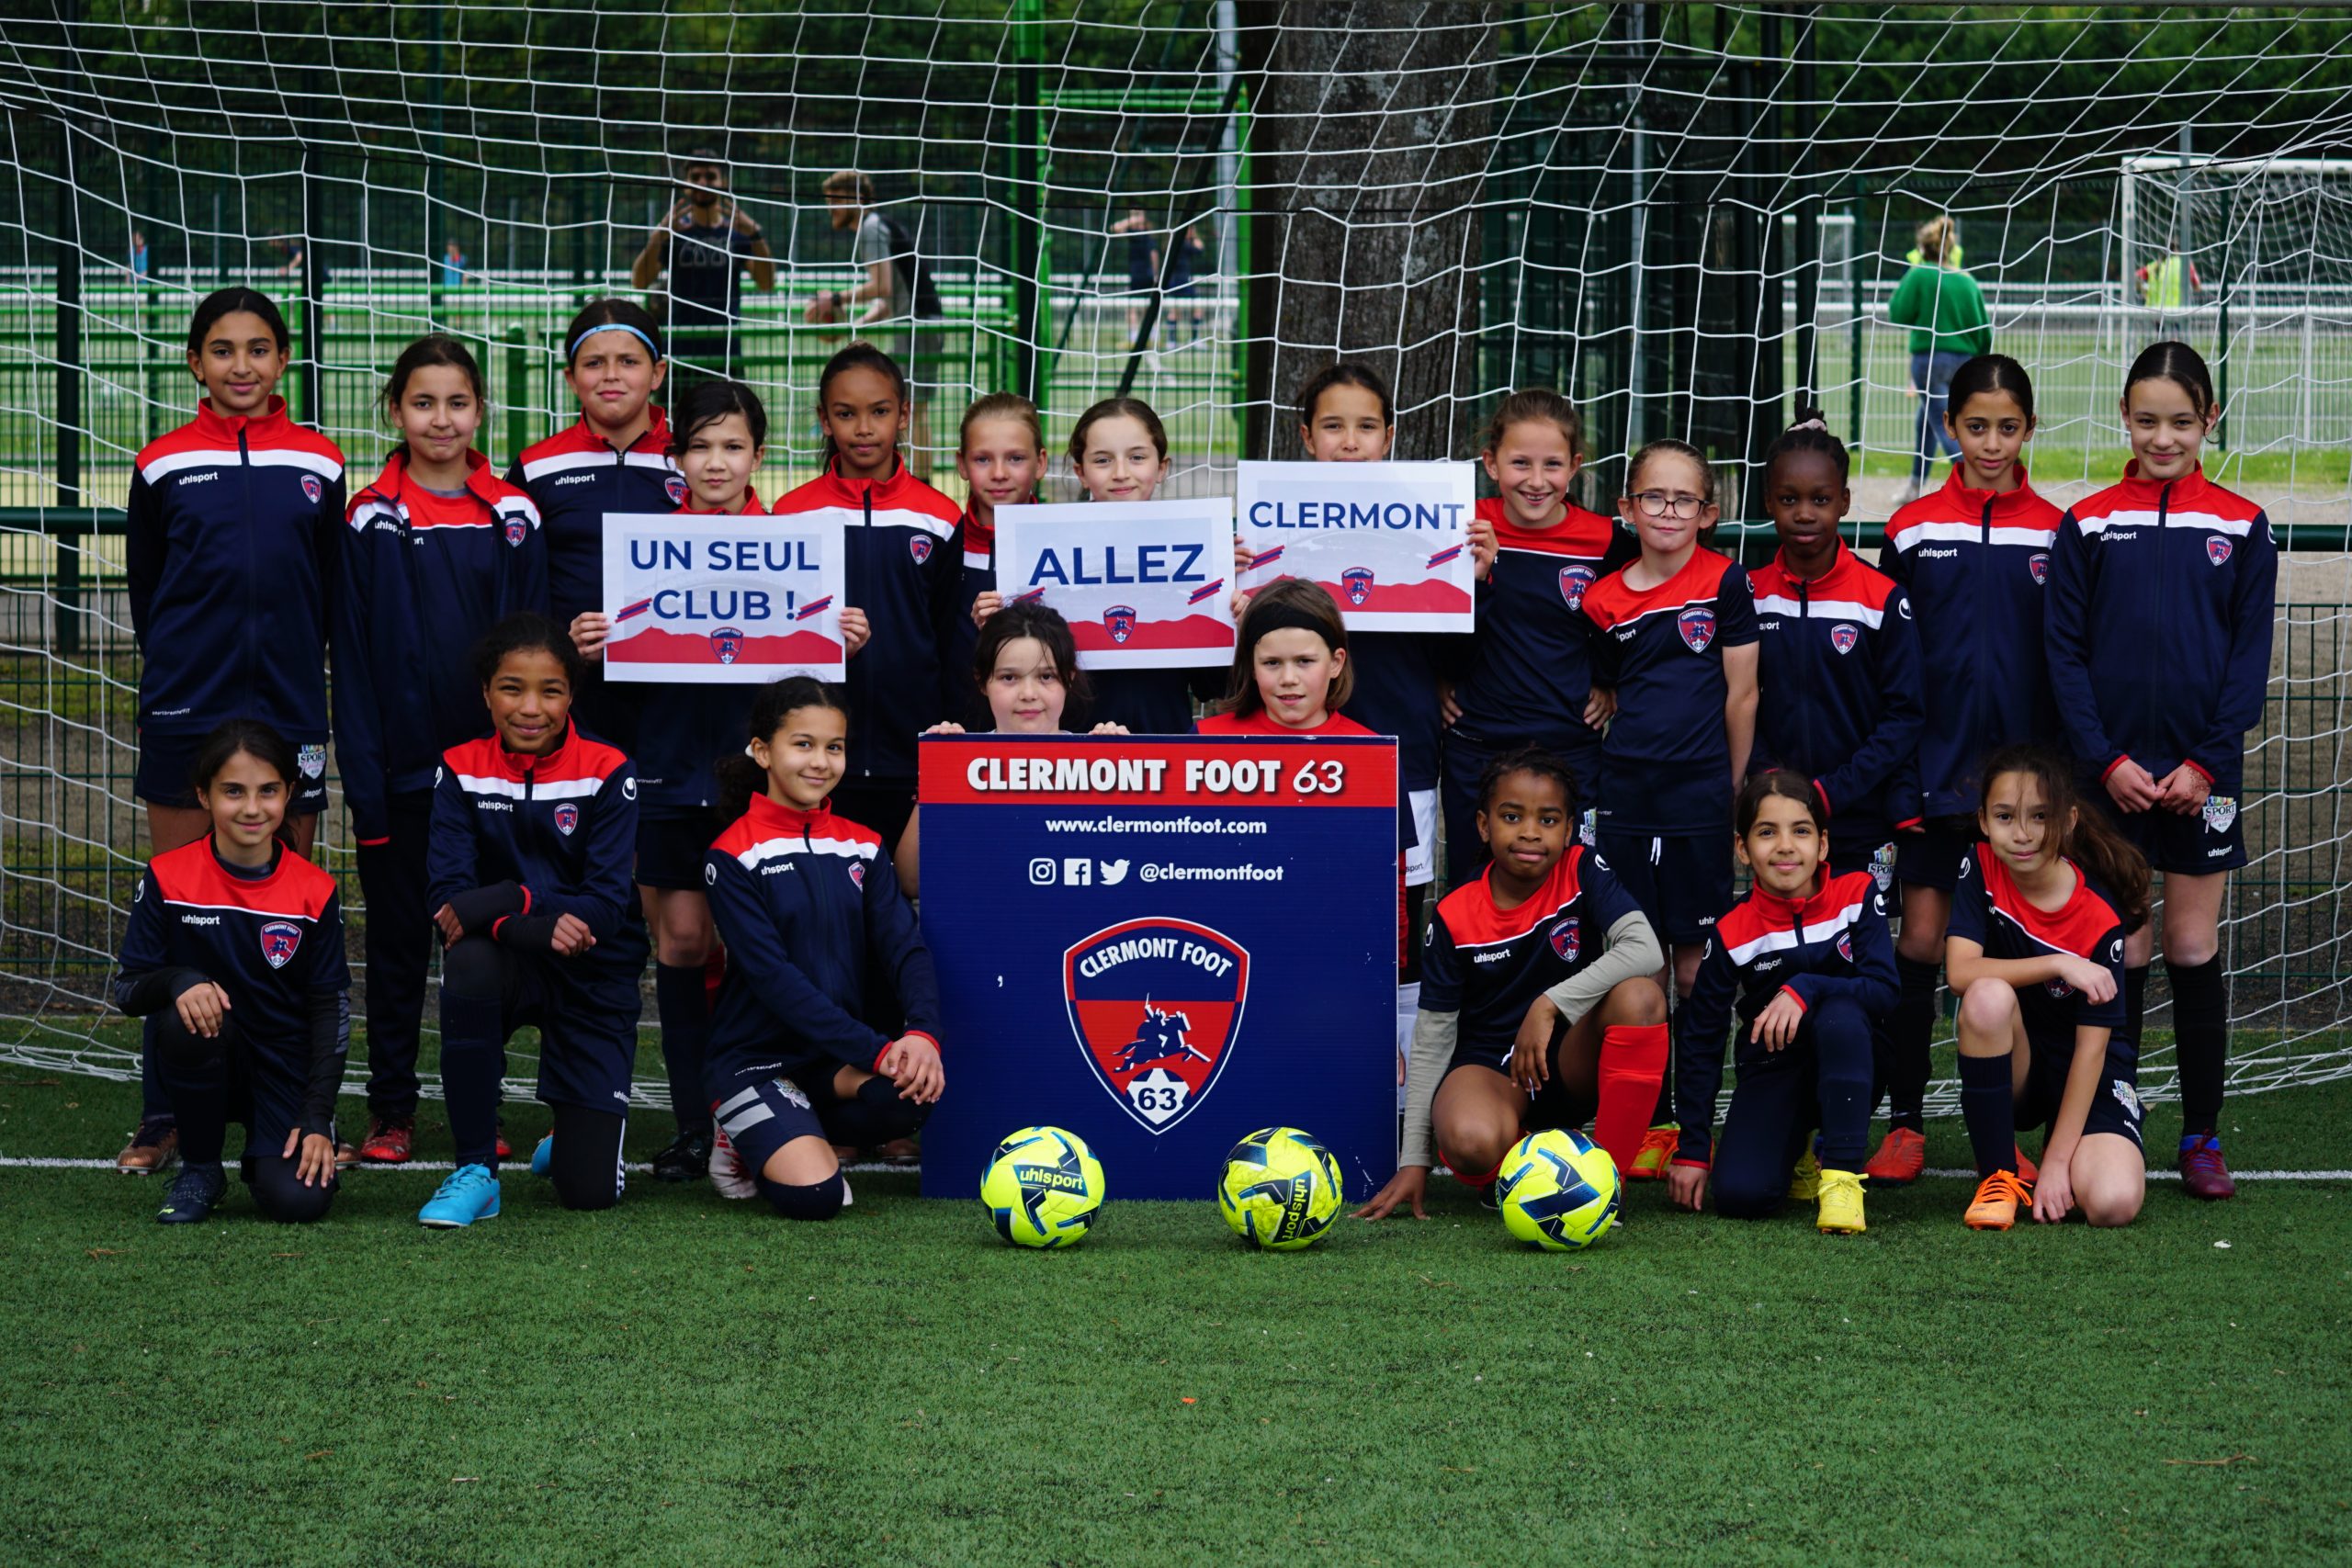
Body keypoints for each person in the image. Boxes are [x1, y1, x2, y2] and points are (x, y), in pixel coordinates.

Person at [119, 288, 345, 1173]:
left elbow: (331, 586)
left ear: (284, 360)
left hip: (290, 708)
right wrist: (183, 668)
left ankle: (286, 1105)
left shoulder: (320, 461)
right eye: (222, 350)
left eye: (258, 348)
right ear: (195, 363)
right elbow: (149, 590)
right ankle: (166, 1113)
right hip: (188, 704)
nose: (241, 366)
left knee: (282, 906)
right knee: (183, 909)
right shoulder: (163, 462)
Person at [2045, 340, 2276, 1201]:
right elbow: (2062, 654)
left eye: (2181, 421)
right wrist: (2105, 761)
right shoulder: (2091, 521)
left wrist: (2207, 762)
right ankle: (2117, 1114)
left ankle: (2204, 1132)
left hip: (2198, 779)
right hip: (2109, 780)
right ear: (2124, 421)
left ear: (2209, 421)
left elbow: (2247, 661)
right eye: (2147, 420)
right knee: (2125, 943)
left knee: (2187, 943)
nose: (2164, 436)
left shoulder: (2242, 525)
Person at [334, 334, 546, 1167]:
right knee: (393, 946)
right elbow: (351, 659)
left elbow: (531, 655)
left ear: (480, 411)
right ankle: (391, 1107)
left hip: (489, 783)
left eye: (457, 402)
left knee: (479, 946)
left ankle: (477, 1106)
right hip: (398, 778)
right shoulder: (366, 514)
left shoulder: (512, 513)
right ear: (395, 410)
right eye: (423, 403)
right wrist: (368, 786)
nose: (441, 419)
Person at [1871, 354, 2062, 1184]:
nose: (1991, 442)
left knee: (2010, 949)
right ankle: (1906, 1122)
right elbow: (1893, 669)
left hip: (2022, 794)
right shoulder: (1912, 529)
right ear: (1950, 426)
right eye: (1976, 426)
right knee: (1919, 941)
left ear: (2029, 430)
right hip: (1936, 780)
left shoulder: (2059, 529)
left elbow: (2064, 663)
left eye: (2008, 427)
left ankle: (2005, 1127)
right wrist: (1906, 782)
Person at [1353, 747, 1668, 1220]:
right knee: (1469, 1140)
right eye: (1511, 816)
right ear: (1484, 825)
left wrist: (1550, 1005)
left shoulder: (1582, 869)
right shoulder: (1454, 912)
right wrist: (1414, 1157)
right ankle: (1508, 1169)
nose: (1529, 832)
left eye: (1547, 820)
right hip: (1492, 1069)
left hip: (1569, 1057)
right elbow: (1434, 1037)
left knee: (1642, 998)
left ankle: (1606, 1184)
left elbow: (1644, 949)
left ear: (1568, 830)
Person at [418, 615, 648, 1227]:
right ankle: (475, 1170)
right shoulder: (458, 768)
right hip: (510, 959)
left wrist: (501, 900)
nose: (531, 707)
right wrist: (524, 910)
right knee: (465, 961)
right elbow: (447, 900)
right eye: (512, 688)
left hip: (592, 971)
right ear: (485, 694)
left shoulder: (609, 769)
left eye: (550, 689)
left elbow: (603, 901)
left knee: (589, 1191)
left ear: (572, 695)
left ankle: (571, 1136)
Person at [1581, 437, 1758, 1179]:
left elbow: (1742, 694)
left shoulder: (1724, 582)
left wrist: (1733, 791)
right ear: (1627, 508)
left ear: (1708, 514)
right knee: (1638, 967)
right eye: (1653, 497)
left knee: (1696, 968)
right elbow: (1607, 689)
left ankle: (1695, 1123)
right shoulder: (1602, 599)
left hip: (1699, 802)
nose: (1667, 511)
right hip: (1626, 802)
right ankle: (1645, 1125)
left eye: (1684, 500)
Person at [703, 680, 945, 1215]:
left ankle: (789, 1125)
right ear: (764, 751)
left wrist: (922, 1034)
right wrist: (878, 1051)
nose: (821, 762)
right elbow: (776, 981)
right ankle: (739, 1128)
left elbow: (906, 948)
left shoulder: (863, 843)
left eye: (834, 747)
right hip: (756, 1061)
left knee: (908, 1101)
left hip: (829, 1063)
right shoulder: (733, 855)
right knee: (817, 1197)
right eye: (803, 744)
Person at [114, 721, 350, 1226]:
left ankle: (273, 1151)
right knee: (188, 1016)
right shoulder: (167, 876)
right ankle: (201, 1167)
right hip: (206, 1052)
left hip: (283, 1067)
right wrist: (180, 980)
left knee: (297, 1203)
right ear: (204, 795)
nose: (251, 808)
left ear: (289, 793)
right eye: (233, 791)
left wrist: (316, 1115)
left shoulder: (316, 890)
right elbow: (129, 988)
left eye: (268, 791)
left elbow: (331, 1011)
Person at [1666, 771, 1896, 1234]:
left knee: (1840, 1015)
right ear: (1742, 849)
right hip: (1775, 1069)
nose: (1786, 846)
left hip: (1856, 1058)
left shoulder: (1856, 897)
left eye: (1801, 831)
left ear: (1823, 845)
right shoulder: (1732, 931)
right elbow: (1702, 1038)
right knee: (1740, 1196)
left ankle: (1842, 1176)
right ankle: (1797, 1152)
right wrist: (1692, 1146)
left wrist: (1806, 987)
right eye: (1767, 832)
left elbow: (1886, 991)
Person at [1948, 746, 2152, 1230]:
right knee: (1985, 996)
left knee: (2113, 1204)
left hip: (2088, 1072)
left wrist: (2060, 1165)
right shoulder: (1979, 867)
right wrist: (2059, 963)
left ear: (2069, 820)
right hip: (2021, 1064)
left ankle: (2062, 1150)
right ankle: (1998, 1174)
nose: (2022, 834)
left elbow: (2091, 1053)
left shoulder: (2100, 919)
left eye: (2040, 817)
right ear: (1983, 820)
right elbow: (1959, 973)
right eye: (2005, 816)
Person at [1440, 389, 1634, 890]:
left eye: (1552, 464)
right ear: (1491, 462)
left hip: (1568, 742)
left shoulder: (1606, 541)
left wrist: (1612, 684)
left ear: (1574, 466)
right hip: (1478, 740)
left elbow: (1640, 617)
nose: (1536, 480)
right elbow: (1418, 613)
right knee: (1472, 886)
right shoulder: (1462, 523)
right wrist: (1435, 678)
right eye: (1520, 462)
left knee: (1574, 888)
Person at [773, 344, 962, 855]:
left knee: (908, 897)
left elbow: (949, 639)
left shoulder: (940, 517)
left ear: (903, 414)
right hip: (824, 754)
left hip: (913, 748)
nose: (863, 428)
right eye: (845, 413)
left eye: (879, 411)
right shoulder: (791, 516)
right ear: (823, 419)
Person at [1747, 412, 1921, 885]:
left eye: (1820, 499)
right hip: (1776, 811)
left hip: (1860, 812)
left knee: (1858, 945)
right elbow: (1735, 696)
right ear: (1768, 502)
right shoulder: (1748, 594)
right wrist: (1771, 781)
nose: (1805, 513)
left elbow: (1904, 714)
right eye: (1788, 499)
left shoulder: (1882, 599)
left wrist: (1832, 790)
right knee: (1784, 941)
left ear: (1843, 501)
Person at [506, 298, 682, 753]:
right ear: (570, 378)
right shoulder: (537, 467)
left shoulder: (696, 457)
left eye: (628, 361)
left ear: (657, 373)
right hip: (573, 696)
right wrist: (558, 646)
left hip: (680, 693)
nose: (611, 375)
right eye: (594, 363)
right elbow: (518, 583)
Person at [897, 601, 1125, 897]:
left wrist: (1127, 774)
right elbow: (910, 880)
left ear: (1068, 679)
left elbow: (1141, 869)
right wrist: (937, 779)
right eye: (1009, 678)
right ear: (983, 682)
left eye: (1046, 677)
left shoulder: (1101, 763)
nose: (1028, 694)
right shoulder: (961, 767)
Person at [1032, 396, 1222, 736]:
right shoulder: (1046, 548)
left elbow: (1213, 684)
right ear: (1081, 472)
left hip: (1166, 747)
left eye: (1137, 458)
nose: (1121, 473)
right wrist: (1004, 619)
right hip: (1073, 751)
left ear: (1161, 467)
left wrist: (1228, 606)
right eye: (1103, 460)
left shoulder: (1196, 553)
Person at [815, 170, 945, 467]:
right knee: (911, 407)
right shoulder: (877, 225)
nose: (829, 208)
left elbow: (881, 287)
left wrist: (833, 299)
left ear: (858, 198)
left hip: (920, 324)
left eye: (835, 200)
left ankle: (922, 483)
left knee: (915, 410)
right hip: (914, 322)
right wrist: (854, 327)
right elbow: (887, 302)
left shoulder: (871, 227)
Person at [943, 393, 1047, 728]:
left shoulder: (1064, 543)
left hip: (1050, 735)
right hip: (958, 730)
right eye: (983, 459)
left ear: (1041, 463)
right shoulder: (941, 543)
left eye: (1016, 458)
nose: (999, 473)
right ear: (961, 464)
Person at [631, 149, 775, 384]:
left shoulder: (738, 233)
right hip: (679, 345)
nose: (703, 182)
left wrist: (756, 235)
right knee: (677, 418)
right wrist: (658, 236)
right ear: (685, 184)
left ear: (723, 182)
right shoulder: (674, 232)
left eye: (710, 176)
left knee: (728, 418)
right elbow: (639, 281)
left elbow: (767, 283)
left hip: (725, 345)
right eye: (695, 176)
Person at [1887, 216, 1991, 504]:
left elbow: (1897, 312)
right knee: (1929, 420)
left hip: (1930, 361)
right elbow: (1984, 330)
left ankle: (1978, 484)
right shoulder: (1966, 280)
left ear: (1923, 249)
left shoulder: (1920, 274)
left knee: (1947, 426)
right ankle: (1915, 486)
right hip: (1965, 362)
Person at [1198, 577, 1369, 739]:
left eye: (1304, 661)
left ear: (1336, 663)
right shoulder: (1205, 739)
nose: (1288, 679)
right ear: (1252, 667)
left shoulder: (1374, 753)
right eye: (1272, 663)